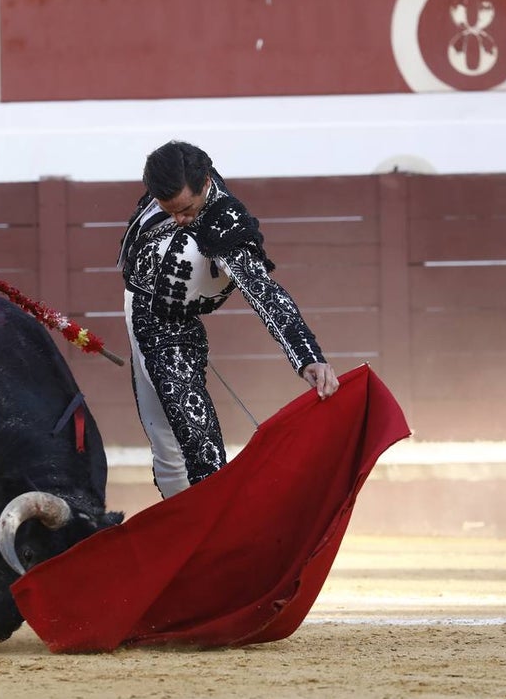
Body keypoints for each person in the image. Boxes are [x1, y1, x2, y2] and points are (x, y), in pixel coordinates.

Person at [117, 140, 340, 499]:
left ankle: (209, 527)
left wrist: (306, 356)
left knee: (198, 453)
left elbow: (263, 292)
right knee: (164, 439)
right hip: (137, 308)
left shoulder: (225, 223)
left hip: (173, 328)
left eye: (187, 209)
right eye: (168, 209)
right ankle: (188, 527)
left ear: (206, 184)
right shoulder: (176, 174)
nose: (179, 219)